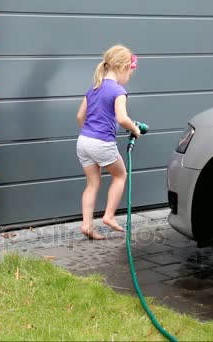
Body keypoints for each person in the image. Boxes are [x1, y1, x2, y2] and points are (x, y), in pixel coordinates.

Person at [75, 44, 141, 240]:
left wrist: (89, 131)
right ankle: (109, 216)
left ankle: (87, 225)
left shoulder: (94, 87)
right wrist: (135, 129)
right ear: (123, 68)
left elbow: (80, 116)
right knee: (120, 175)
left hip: (83, 141)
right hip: (102, 143)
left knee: (92, 184)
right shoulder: (118, 91)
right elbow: (122, 118)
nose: (128, 77)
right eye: (130, 72)